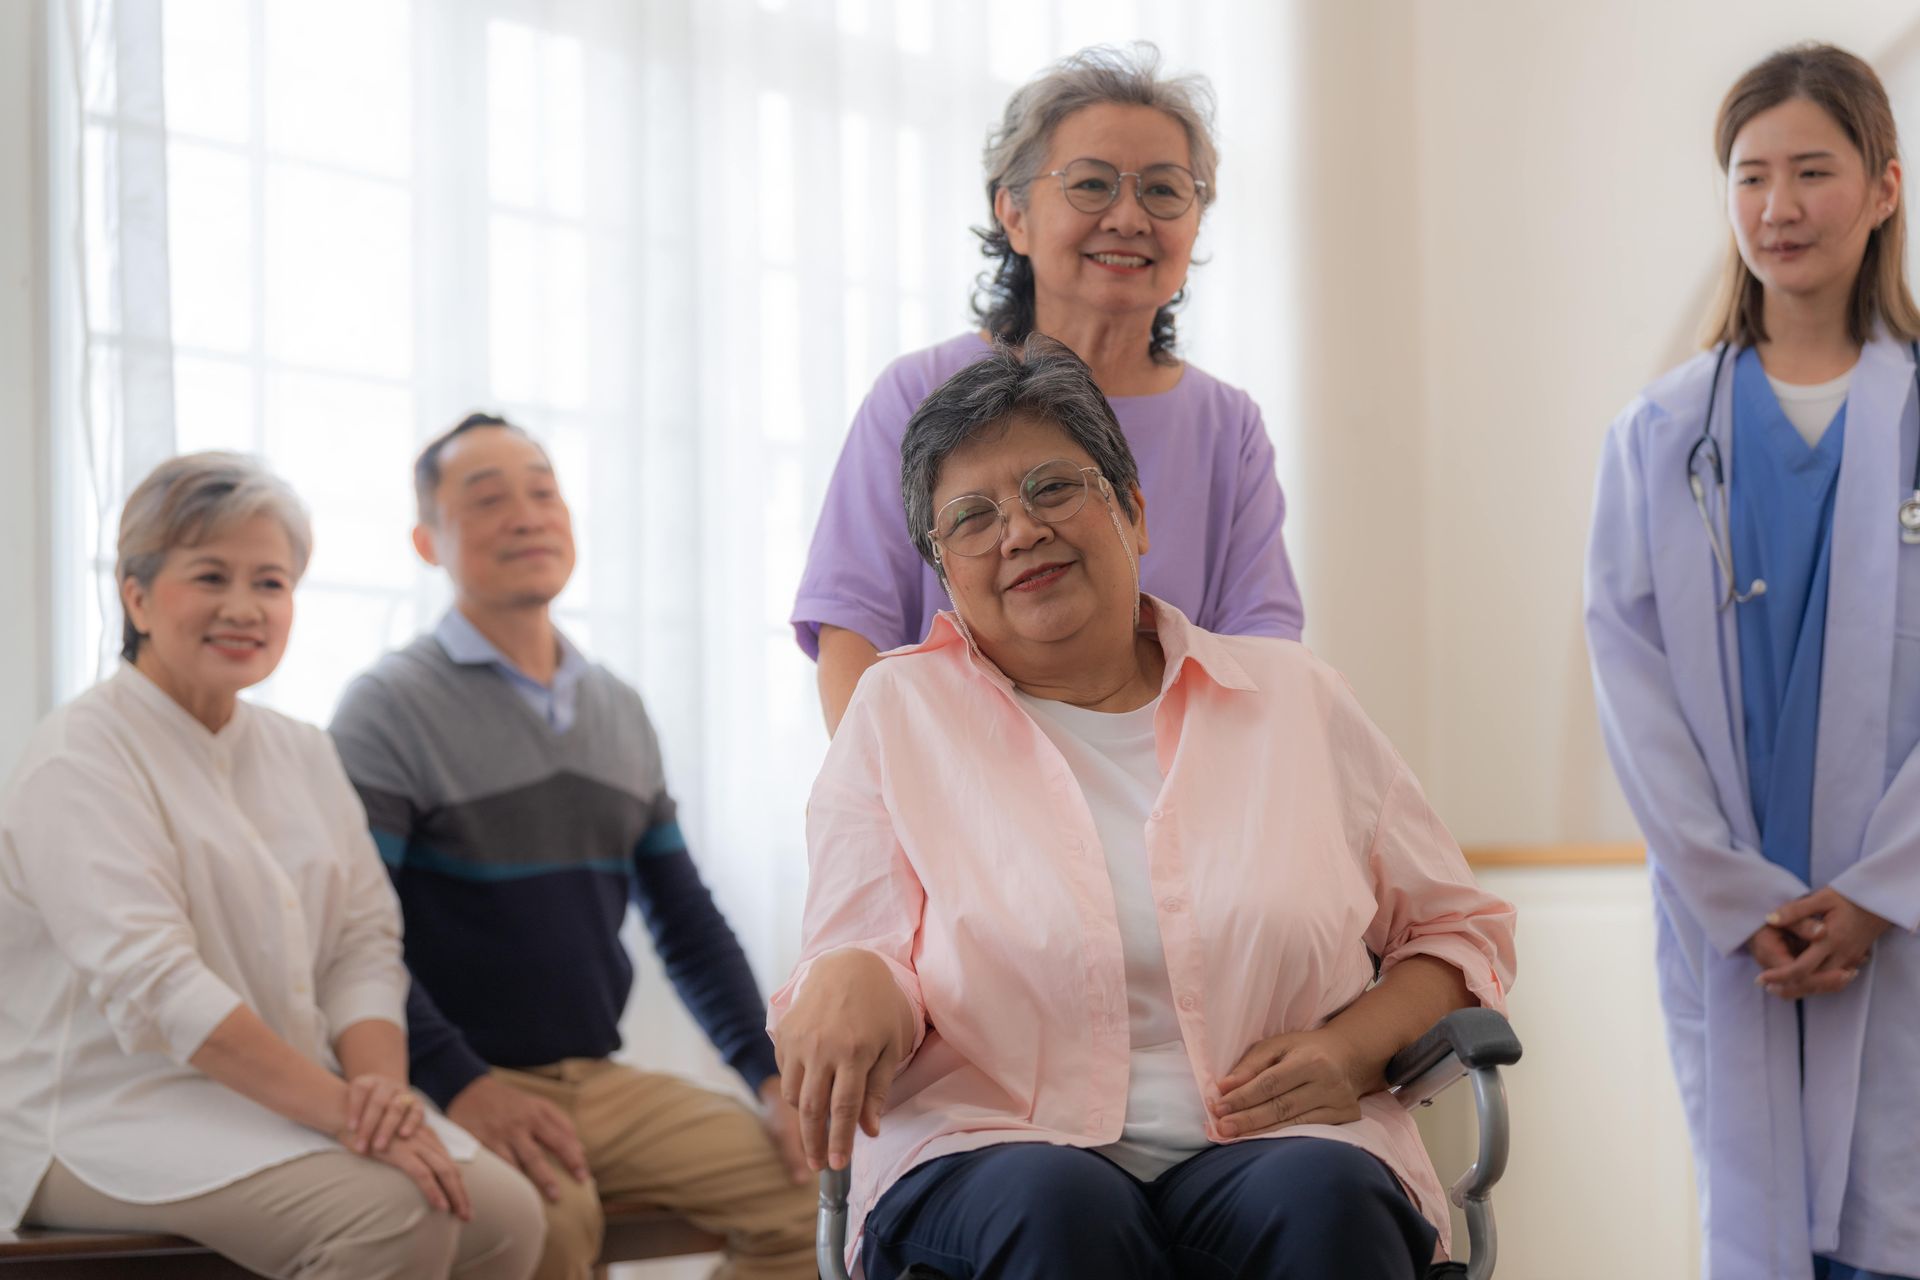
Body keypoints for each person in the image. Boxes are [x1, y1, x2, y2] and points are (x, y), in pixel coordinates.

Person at [772, 337, 1515, 1280]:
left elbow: (1456, 936)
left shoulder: (1296, 700)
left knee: (1325, 1203)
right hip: (991, 1149)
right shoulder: (897, 714)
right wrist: (845, 979)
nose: (1020, 531)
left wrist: (1350, 1051)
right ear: (946, 573)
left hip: (1275, 1151)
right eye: (972, 516)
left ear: (1133, 513)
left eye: (1053, 488)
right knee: (1060, 1210)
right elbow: (861, 950)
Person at [0, 452, 544, 1280]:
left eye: (271, 582)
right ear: (136, 594)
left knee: (505, 1216)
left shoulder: (302, 751)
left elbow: (362, 944)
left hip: (280, 1104)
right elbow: (160, 984)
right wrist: (347, 1116)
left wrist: (381, 1095)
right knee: (397, 1216)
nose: (244, 608)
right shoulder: (80, 757)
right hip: (95, 1118)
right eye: (211, 577)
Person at [329, 414, 816, 1280]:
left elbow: (686, 921)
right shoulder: (387, 708)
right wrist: (462, 1085)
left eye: (543, 493)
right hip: (449, 1080)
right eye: (487, 499)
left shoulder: (617, 708)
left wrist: (770, 1079)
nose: (527, 516)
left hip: (597, 1081)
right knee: (551, 1230)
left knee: (806, 1195)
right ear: (425, 540)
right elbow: (349, 941)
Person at [1585, 43, 1920, 1280]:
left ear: (1884, 188)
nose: (1779, 207)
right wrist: (1732, 892)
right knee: (1764, 1230)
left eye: (1814, 171)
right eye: (1751, 175)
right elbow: (1630, 675)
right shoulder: (1663, 433)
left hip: (1908, 916)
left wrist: (1886, 889)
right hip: (1738, 929)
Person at [795, 42, 1304, 733]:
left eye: (1163, 189)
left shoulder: (1228, 424)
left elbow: (1260, 654)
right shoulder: (916, 391)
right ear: (1013, 214)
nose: (1129, 218)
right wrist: (890, 813)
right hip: (959, 805)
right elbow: (852, 630)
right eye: (1092, 184)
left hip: (1173, 808)